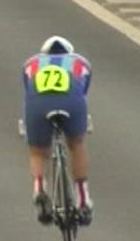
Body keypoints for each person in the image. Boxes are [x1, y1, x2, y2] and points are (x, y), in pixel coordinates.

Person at [22, 35, 93, 226]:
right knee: (76, 144)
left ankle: (39, 189)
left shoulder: (31, 63)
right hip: (72, 101)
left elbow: (28, 92)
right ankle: (83, 199)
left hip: (38, 103)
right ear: (70, 52)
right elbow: (83, 93)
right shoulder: (81, 62)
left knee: (38, 150)